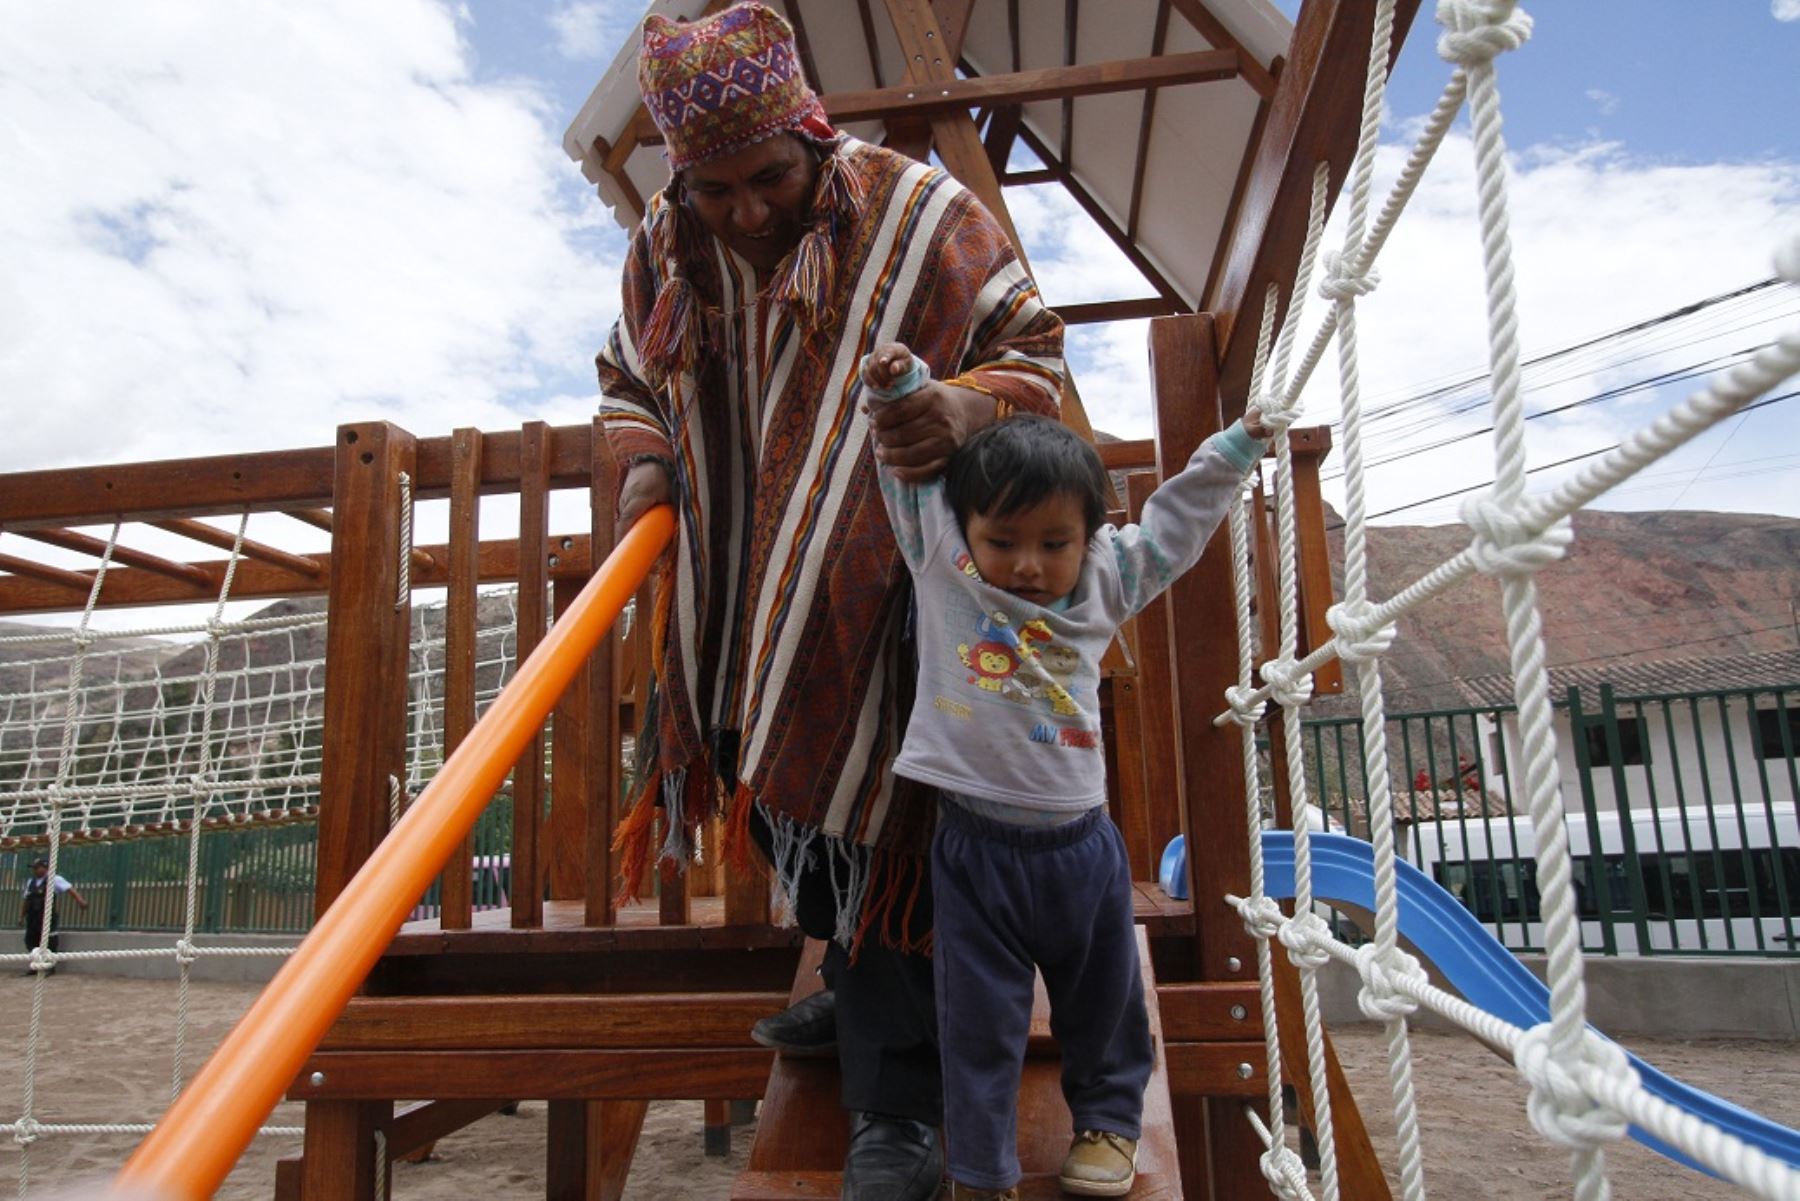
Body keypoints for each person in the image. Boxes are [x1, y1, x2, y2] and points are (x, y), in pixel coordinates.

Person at [598, 6, 1064, 1198]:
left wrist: (962, 408)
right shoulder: (665, 242)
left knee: (886, 812)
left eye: (769, 178)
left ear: (813, 133)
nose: (745, 213)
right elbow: (625, 373)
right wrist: (647, 452)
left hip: (900, 585)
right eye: (714, 190)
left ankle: (896, 1110)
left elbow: (1037, 361)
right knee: (780, 794)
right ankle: (856, 998)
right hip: (744, 579)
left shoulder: (918, 215)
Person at [860, 345, 1269, 1199]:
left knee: (1104, 1005)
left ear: (1089, 536)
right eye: (1002, 540)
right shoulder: (945, 565)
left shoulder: (1106, 580)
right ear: (965, 530)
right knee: (975, 1021)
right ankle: (981, 1167)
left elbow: (1175, 523)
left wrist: (1233, 449)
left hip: (1080, 851)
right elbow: (905, 479)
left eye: (1055, 542)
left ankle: (1109, 1127)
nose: (1029, 564)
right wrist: (900, 388)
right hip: (972, 854)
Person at [20, 857, 88, 974]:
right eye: (34, 868)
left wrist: (80, 901)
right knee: (30, 940)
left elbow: (70, 890)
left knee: (50, 941)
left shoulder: (54, 879)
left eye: (37, 867)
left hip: (47, 915)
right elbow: (26, 900)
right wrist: (21, 916)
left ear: (45, 867)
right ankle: (36, 965)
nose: (34, 870)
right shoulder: (30, 882)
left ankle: (50, 967)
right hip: (33, 916)